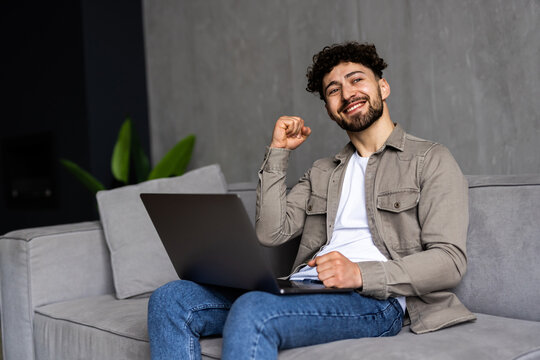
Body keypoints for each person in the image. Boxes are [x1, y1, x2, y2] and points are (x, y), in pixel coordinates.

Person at [147, 42, 476, 360]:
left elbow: (449, 262)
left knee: (253, 311)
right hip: (303, 289)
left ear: (383, 87)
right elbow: (270, 233)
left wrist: (360, 274)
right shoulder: (323, 171)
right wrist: (279, 152)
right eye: (333, 90)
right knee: (170, 299)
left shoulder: (430, 159)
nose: (347, 94)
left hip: (374, 301)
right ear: (329, 109)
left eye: (356, 80)